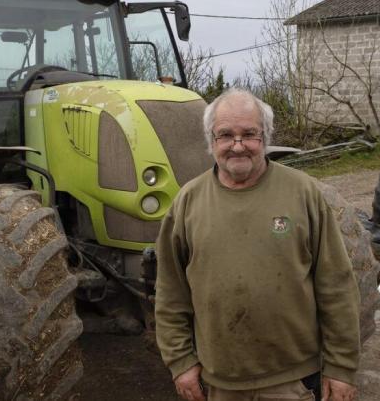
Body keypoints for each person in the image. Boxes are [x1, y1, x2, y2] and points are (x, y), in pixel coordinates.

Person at [154, 88, 360, 401]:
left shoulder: (303, 193)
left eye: (249, 134)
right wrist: (180, 361)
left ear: (265, 137)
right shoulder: (188, 202)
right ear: (211, 141)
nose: (237, 146)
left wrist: (341, 367)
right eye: (225, 135)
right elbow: (171, 292)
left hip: (293, 381)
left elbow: (336, 286)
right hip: (219, 383)